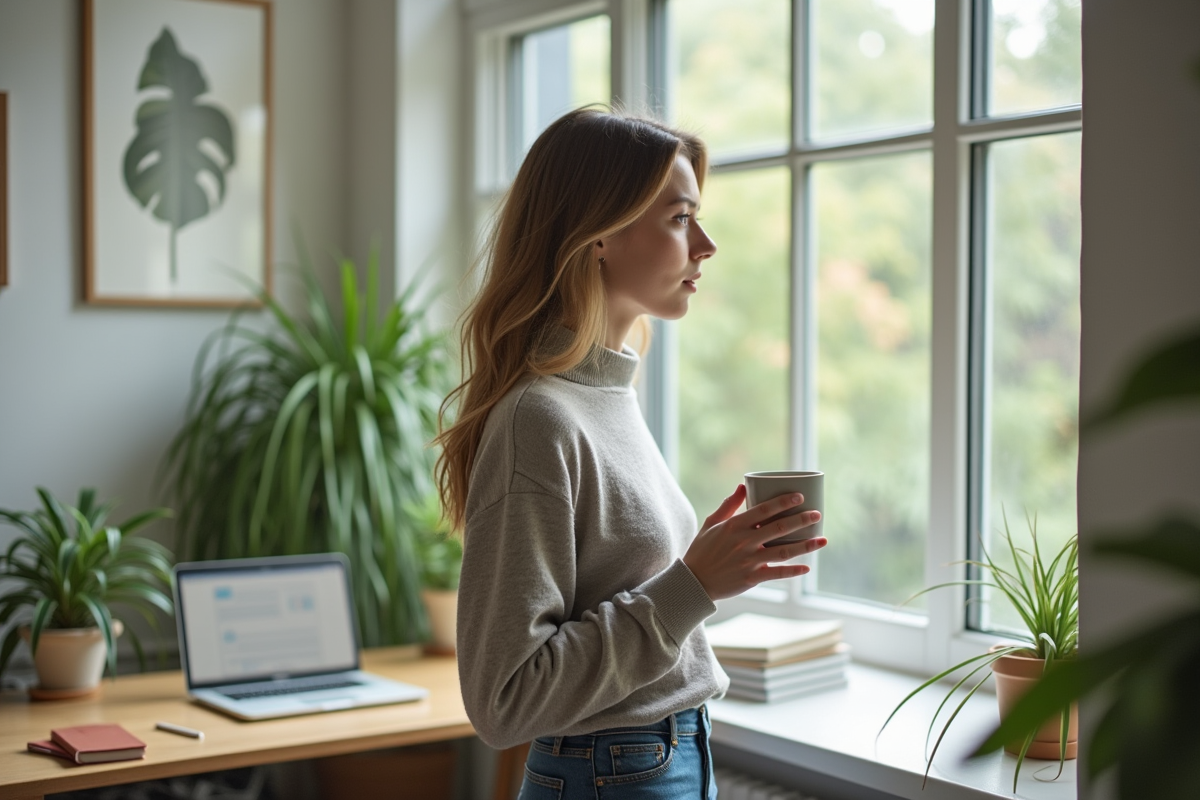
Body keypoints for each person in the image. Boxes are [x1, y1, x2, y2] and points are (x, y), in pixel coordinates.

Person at [434, 107, 827, 799]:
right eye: (679, 219)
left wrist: (704, 563)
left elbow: (625, 597)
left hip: (663, 758)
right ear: (599, 237)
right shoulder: (538, 418)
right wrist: (691, 585)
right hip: (612, 774)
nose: (705, 244)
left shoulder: (608, 392)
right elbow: (504, 701)